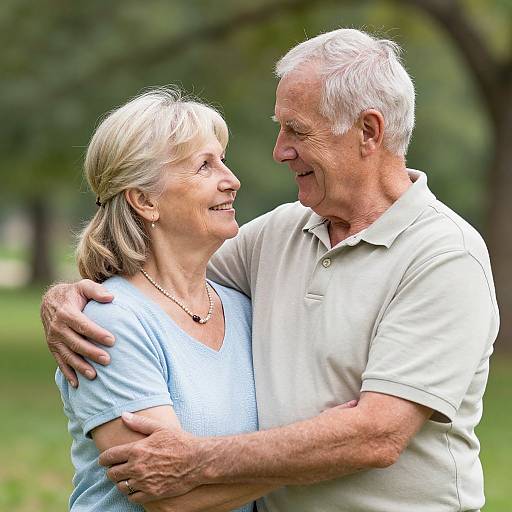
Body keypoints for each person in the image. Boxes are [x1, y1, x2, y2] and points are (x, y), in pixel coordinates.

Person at [42, 29, 499, 512]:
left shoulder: (444, 256)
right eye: (281, 128)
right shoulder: (279, 234)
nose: (279, 150)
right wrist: (66, 298)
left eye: (298, 131)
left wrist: (195, 461)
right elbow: (158, 273)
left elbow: (376, 435)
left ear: (369, 131)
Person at [51, 87, 281, 512]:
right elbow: (173, 495)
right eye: (204, 166)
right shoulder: (108, 323)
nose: (231, 181)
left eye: (223, 161)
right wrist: (324, 460)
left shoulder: (244, 308)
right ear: (144, 200)